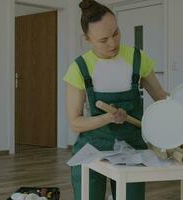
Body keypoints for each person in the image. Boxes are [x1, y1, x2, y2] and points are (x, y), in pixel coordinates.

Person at [64, 0, 168, 199]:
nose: (113, 43)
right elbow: (75, 122)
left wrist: (180, 113)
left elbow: (162, 98)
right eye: (103, 40)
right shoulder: (79, 68)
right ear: (87, 38)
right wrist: (108, 118)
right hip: (93, 149)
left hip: (132, 149)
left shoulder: (138, 58)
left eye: (116, 33)